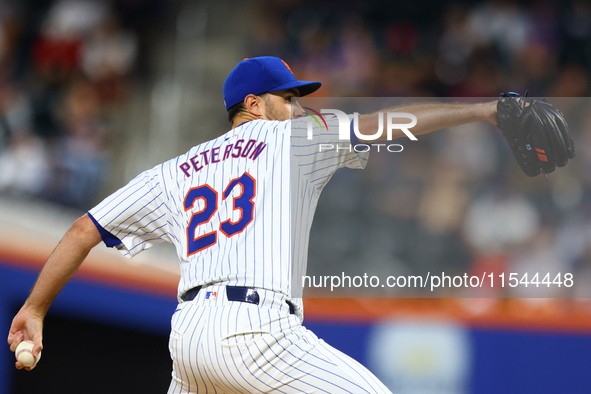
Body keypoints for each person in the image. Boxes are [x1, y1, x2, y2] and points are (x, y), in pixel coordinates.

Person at [7, 56, 497, 393]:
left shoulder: (176, 169)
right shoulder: (295, 139)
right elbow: (389, 123)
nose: (300, 108)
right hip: (256, 330)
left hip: (190, 335)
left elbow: (81, 231)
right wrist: (484, 109)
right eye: (290, 98)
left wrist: (34, 308)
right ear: (256, 104)